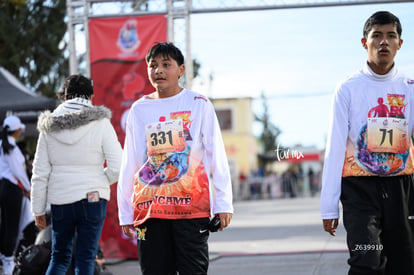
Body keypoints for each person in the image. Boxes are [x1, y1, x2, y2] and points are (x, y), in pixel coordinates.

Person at [117, 42, 234, 275]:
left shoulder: (198, 104)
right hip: (150, 210)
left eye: (166, 65)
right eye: (153, 65)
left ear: (180, 70)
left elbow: (216, 154)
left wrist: (223, 203)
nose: (158, 70)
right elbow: (130, 160)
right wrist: (125, 210)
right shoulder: (138, 110)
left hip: (191, 208)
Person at [320, 11, 414, 274]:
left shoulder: (409, 87)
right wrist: (328, 206)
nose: (384, 42)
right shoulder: (348, 88)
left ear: (400, 44)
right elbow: (335, 147)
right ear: (365, 42)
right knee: (367, 259)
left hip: (402, 189)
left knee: (404, 263)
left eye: (391, 36)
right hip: (359, 191)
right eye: (377, 36)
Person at [30, 74, 123, 275]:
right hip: (94, 197)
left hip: (61, 199)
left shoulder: (49, 125)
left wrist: (37, 209)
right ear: (91, 95)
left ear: (64, 95)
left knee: (60, 257)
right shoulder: (101, 122)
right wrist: (100, 181)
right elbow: (117, 165)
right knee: (86, 258)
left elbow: (39, 172)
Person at [0, 115, 31, 275]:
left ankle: (6, 258)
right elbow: (18, 171)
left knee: (5, 226)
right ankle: (8, 261)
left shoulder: (3, 145)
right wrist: (28, 188)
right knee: (12, 227)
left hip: (4, 187)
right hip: (13, 189)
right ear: (17, 130)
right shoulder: (11, 148)